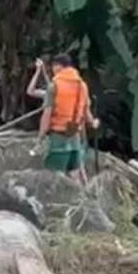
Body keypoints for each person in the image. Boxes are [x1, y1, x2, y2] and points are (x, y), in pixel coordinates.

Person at [34, 54, 98, 182]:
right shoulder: (82, 86)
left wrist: (41, 136)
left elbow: (47, 114)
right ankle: (79, 197)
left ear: (58, 67)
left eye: (53, 67)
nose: (52, 70)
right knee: (74, 171)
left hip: (58, 133)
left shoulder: (54, 86)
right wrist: (93, 122)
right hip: (74, 132)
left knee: (56, 172)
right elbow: (86, 112)